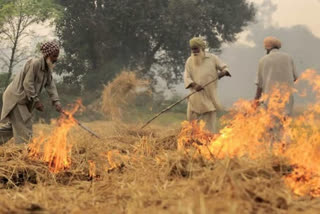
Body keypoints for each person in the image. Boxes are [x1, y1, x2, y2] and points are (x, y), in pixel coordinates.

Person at [0, 41, 63, 144]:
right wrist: (36, 100)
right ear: (47, 54)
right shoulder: (35, 64)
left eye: (57, 56)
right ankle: (24, 152)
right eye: (54, 56)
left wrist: (56, 102)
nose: (56, 59)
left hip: (22, 100)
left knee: (13, 128)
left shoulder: (47, 68)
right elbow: (27, 84)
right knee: (25, 124)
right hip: (16, 98)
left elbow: (51, 85)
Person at [184, 37, 231, 133]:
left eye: (196, 48)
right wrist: (194, 85)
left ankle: (208, 145)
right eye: (192, 49)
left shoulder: (212, 58)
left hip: (209, 98)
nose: (194, 51)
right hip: (194, 99)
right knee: (191, 129)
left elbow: (225, 67)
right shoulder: (189, 61)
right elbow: (186, 77)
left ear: (202, 48)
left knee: (208, 131)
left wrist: (223, 73)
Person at [254, 36, 298, 115]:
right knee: (284, 124)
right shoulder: (288, 58)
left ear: (267, 48)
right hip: (286, 99)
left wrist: (256, 101)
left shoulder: (263, 60)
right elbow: (295, 78)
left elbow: (259, 85)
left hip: (269, 99)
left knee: (270, 124)